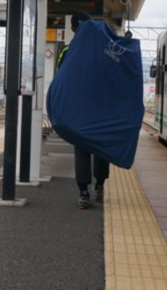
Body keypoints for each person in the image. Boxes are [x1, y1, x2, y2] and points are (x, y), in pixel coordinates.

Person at [56, 11, 110, 210]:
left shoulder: (66, 52)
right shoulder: (105, 51)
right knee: (102, 148)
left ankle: (84, 193)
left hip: (79, 112)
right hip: (102, 111)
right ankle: (100, 186)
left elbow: (60, 83)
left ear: (72, 29)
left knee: (81, 150)